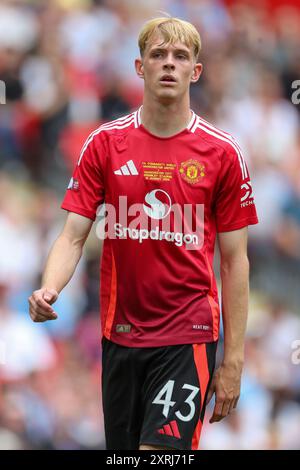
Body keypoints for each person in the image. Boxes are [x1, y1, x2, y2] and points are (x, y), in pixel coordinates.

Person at [28, 17, 258, 450]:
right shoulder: (104, 144)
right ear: (139, 67)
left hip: (188, 335)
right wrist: (49, 287)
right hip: (121, 336)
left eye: (180, 57)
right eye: (158, 55)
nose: (169, 65)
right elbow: (73, 235)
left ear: (196, 71)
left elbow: (234, 261)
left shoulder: (223, 152)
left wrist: (233, 359)